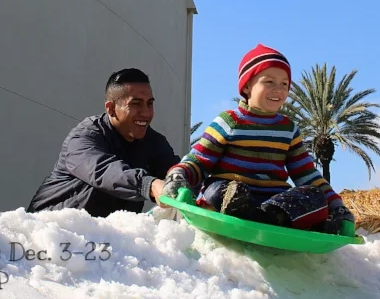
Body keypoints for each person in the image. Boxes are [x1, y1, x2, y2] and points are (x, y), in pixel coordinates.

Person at [160, 44, 354, 233]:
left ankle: (268, 217)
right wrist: (178, 176)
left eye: (284, 84)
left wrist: (335, 204)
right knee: (220, 191)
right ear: (247, 87)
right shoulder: (229, 121)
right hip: (230, 192)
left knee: (315, 196)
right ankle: (271, 218)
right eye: (269, 82)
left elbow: (307, 175)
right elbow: (200, 160)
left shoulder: (288, 129)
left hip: (274, 200)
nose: (278, 89)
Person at [27, 68, 181, 217]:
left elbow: (177, 172)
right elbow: (105, 171)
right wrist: (150, 185)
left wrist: (187, 178)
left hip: (107, 238)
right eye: (136, 104)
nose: (146, 113)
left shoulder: (154, 142)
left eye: (149, 103)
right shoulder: (84, 137)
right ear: (111, 108)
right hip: (46, 233)